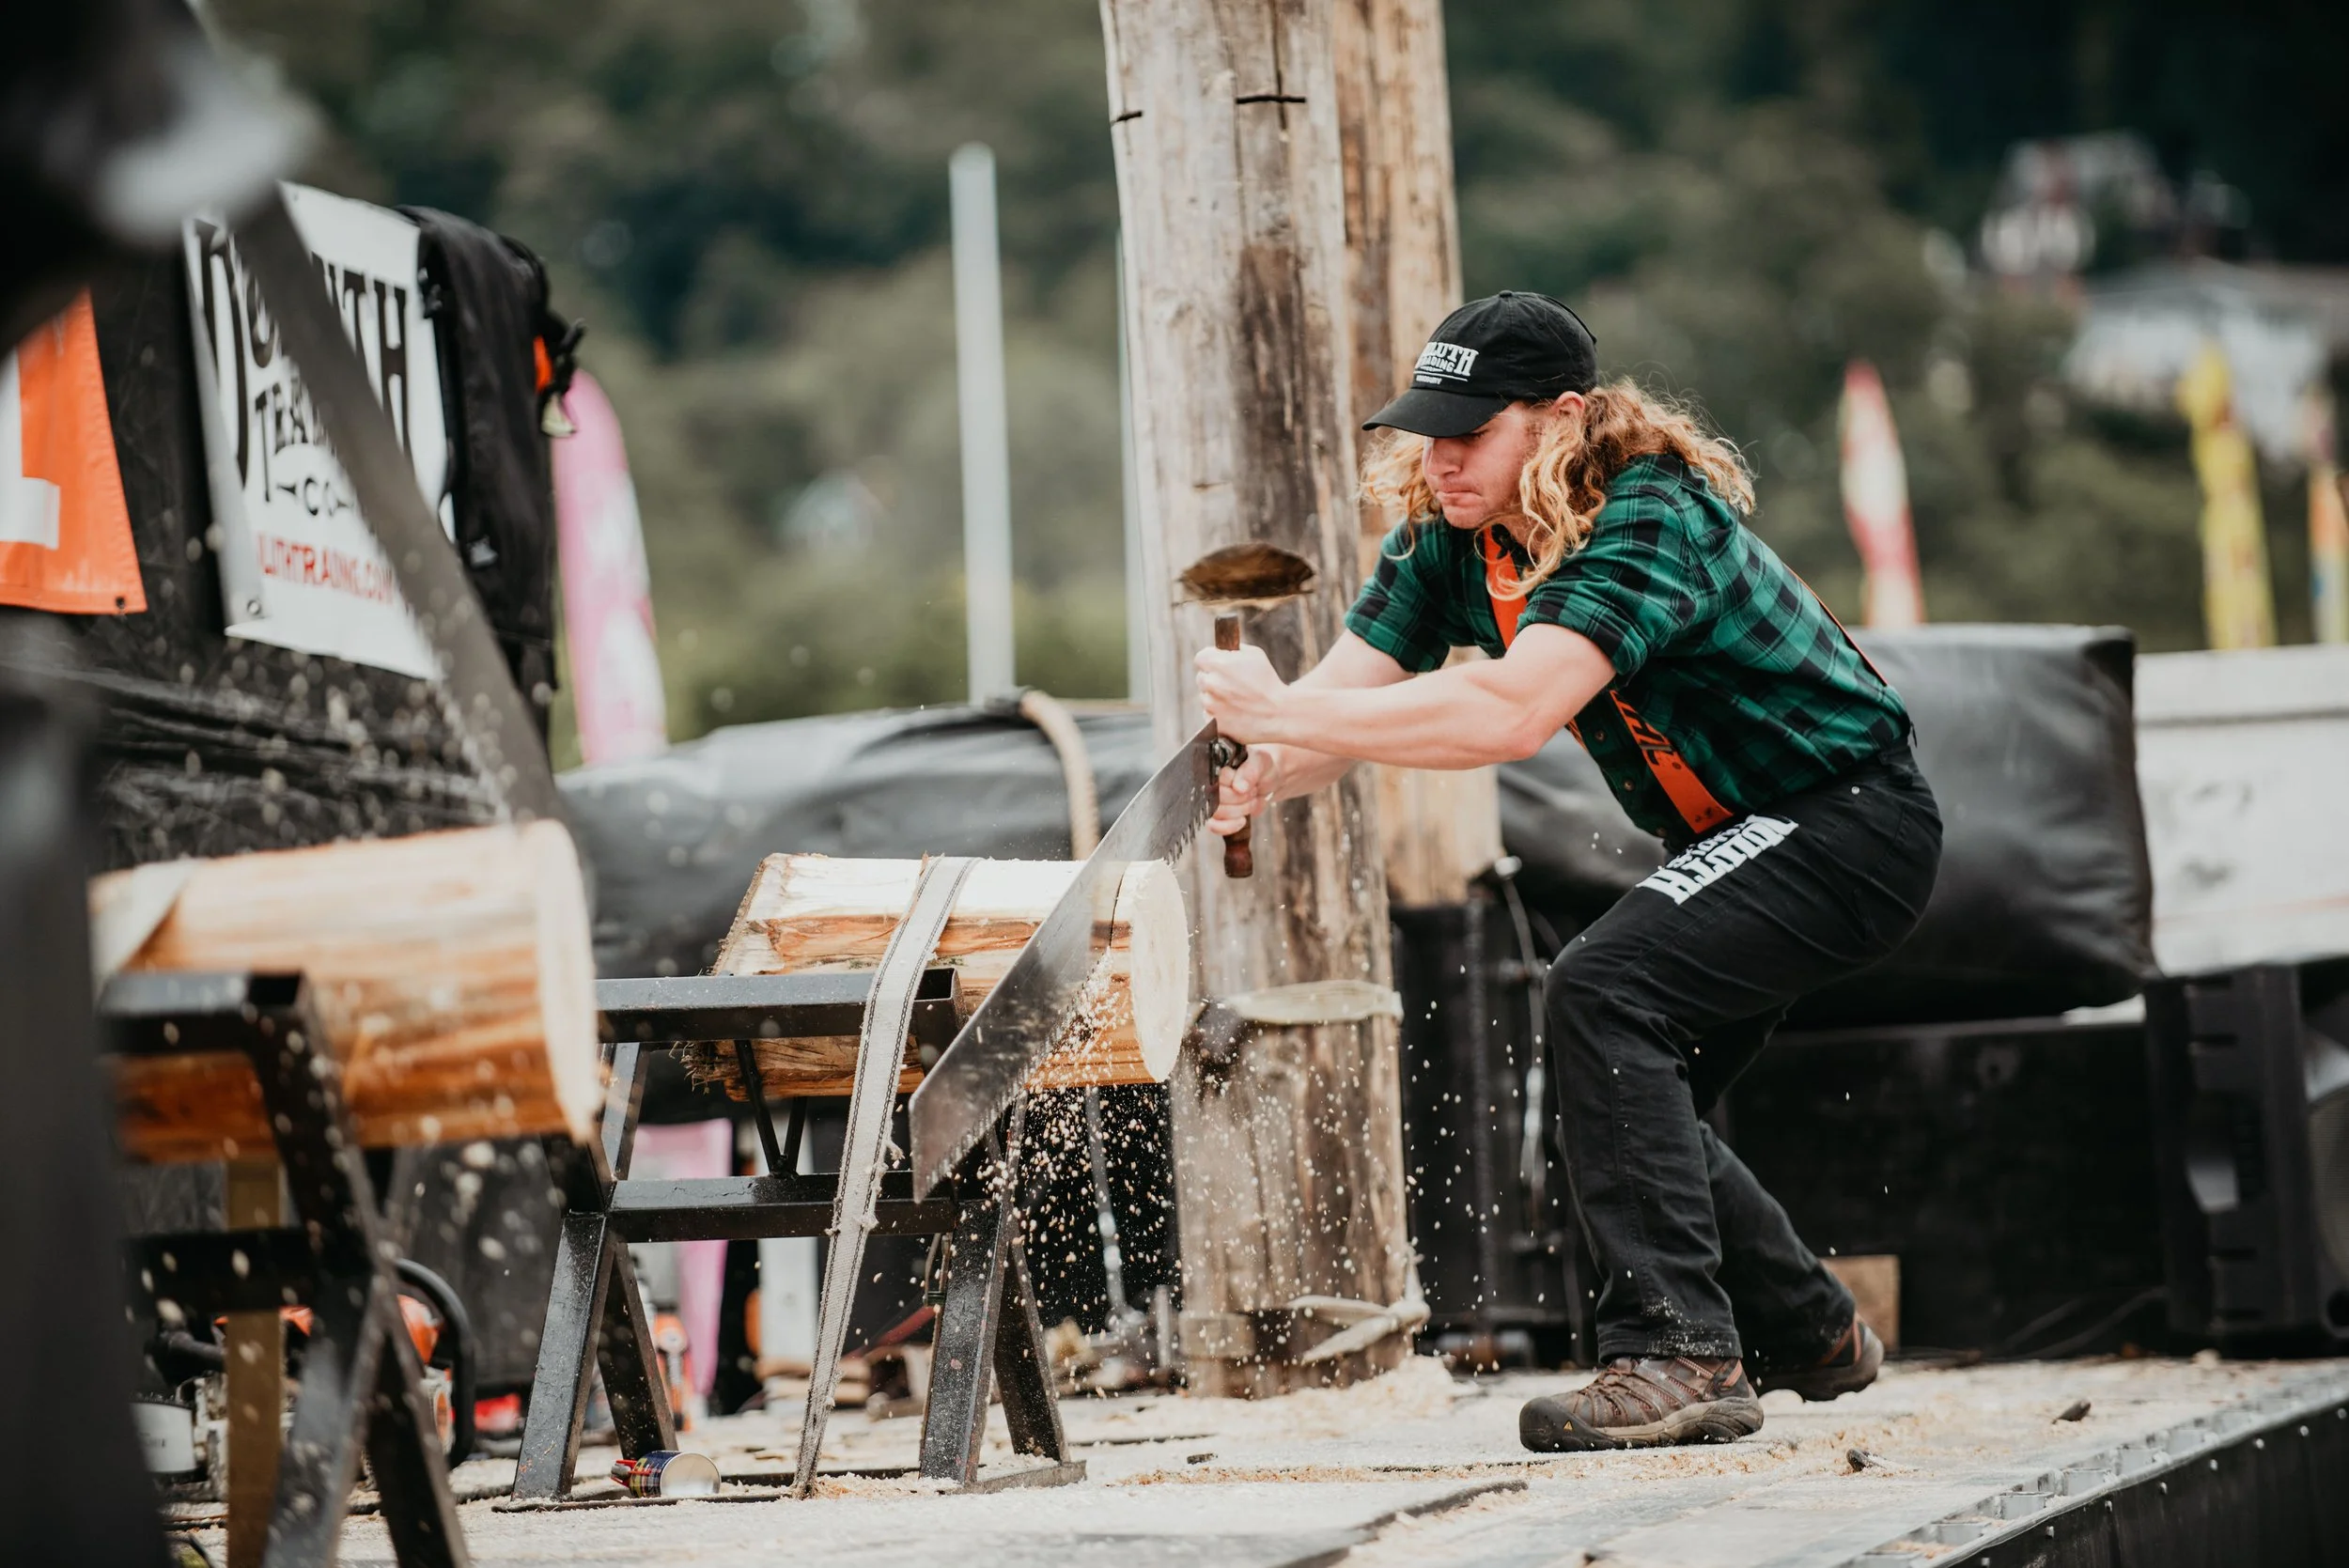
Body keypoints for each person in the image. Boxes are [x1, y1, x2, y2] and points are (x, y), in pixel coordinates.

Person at [1194, 291, 1942, 1452]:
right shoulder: (1453, 535)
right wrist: (1268, 768)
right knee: (1625, 1099)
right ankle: (1806, 1329)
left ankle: (1677, 1354)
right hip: (1735, 837)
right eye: (1429, 430)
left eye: (1471, 431)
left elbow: (1511, 707)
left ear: (1562, 420)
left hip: (1849, 820)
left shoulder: (1647, 512)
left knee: (1601, 989)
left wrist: (1282, 710)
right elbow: (1343, 705)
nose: (1440, 459)